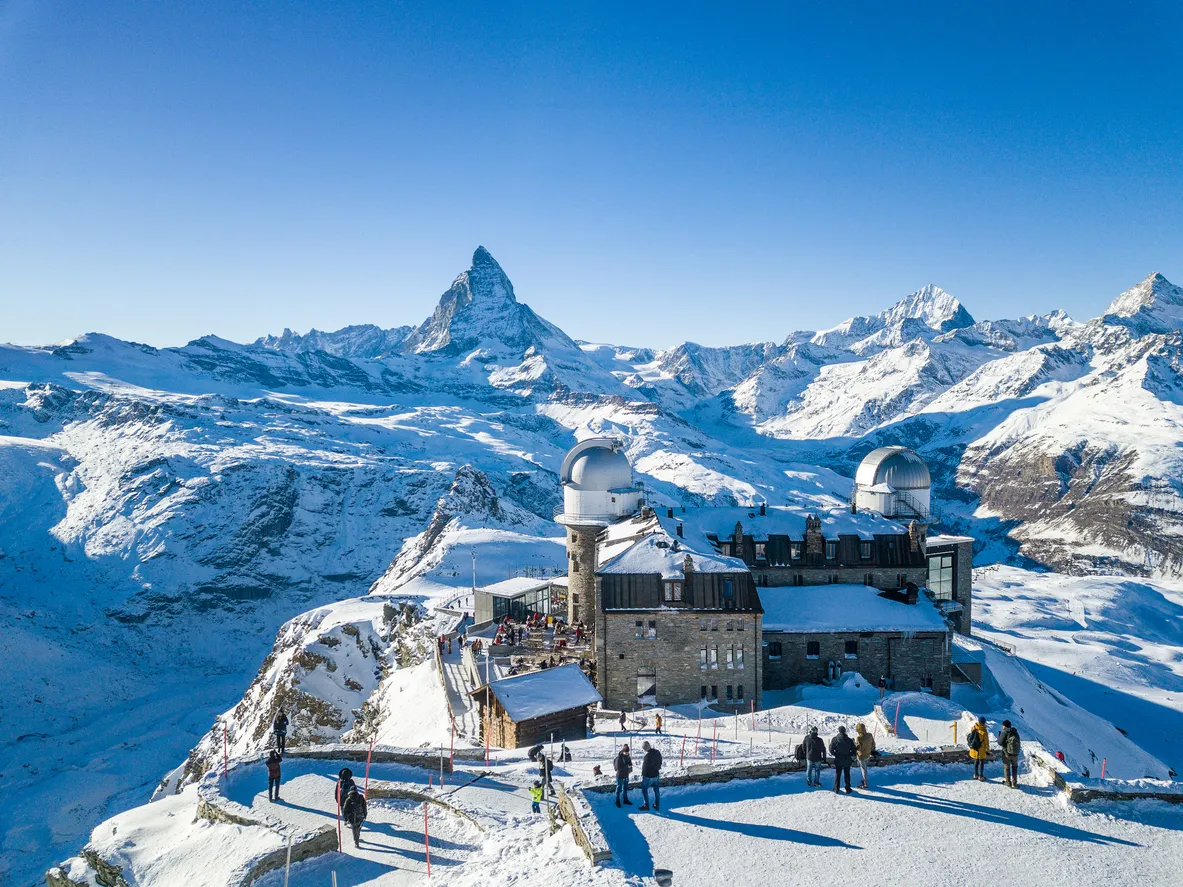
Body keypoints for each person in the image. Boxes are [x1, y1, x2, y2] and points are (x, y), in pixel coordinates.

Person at [829, 726, 856, 794]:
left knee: (838, 774)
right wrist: (849, 754)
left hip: (838, 759)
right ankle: (848, 788)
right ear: (845, 731)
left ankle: (836, 788)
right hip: (847, 759)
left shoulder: (835, 739)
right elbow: (854, 751)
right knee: (847, 774)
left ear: (839, 731)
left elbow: (831, 749)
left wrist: (836, 754)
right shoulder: (849, 740)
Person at [639, 740, 663, 811]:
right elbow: (660, 762)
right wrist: (657, 768)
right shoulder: (657, 752)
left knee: (644, 789)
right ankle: (657, 805)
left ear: (644, 749)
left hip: (648, 777)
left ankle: (646, 805)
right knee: (656, 790)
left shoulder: (647, 756)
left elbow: (645, 768)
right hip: (656, 775)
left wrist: (643, 775)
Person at [999, 720, 1022, 788]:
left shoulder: (1004, 732)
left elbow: (1000, 742)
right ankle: (1014, 783)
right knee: (1014, 768)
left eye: (1003, 725)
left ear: (1005, 726)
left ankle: (1008, 782)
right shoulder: (1015, 732)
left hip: (1006, 754)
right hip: (1015, 754)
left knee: (1007, 767)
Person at [968, 716, 990, 781]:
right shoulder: (984, 730)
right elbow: (986, 742)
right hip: (981, 748)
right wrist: (988, 750)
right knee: (981, 762)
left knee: (976, 761)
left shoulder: (974, 727)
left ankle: (975, 774)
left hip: (974, 748)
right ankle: (981, 776)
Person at [854, 723, 876, 788]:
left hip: (861, 756)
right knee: (864, 769)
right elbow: (873, 744)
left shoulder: (859, 738)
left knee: (864, 770)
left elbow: (858, 748)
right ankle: (864, 780)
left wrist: (854, 744)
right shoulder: (870, 735)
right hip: (867, 755)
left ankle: (865, 784)